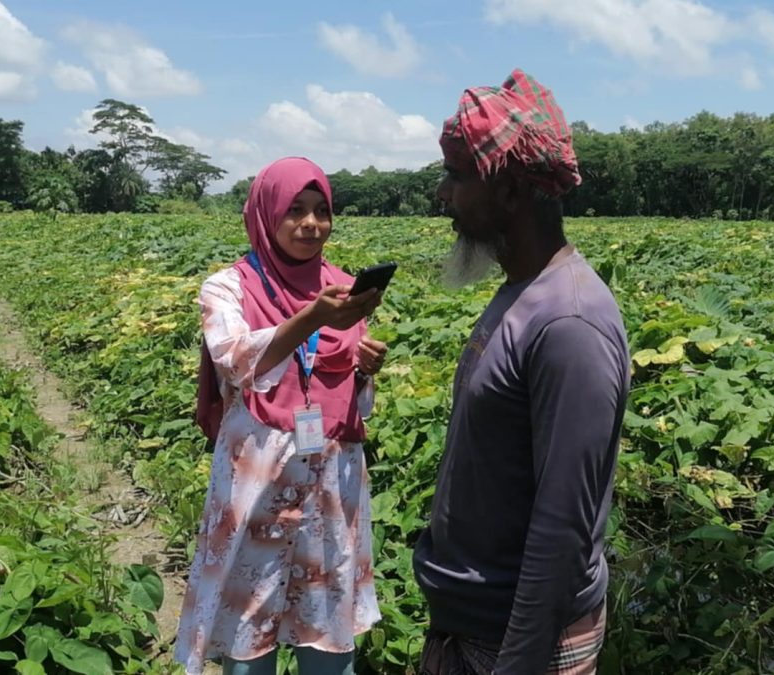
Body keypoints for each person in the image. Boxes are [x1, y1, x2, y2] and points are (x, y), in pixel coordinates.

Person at [413, 69, 630, 675]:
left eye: (456, 177)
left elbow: (562, 532)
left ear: (508, 192)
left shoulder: (569, 323)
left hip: (518, 642)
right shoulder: (522, 291)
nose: (443, 196)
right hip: (474, 623)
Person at [176, 157, 388, 675]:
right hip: (258, 477)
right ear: (266, 213)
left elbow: (346, 400)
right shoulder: (227, 287)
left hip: (329, 479)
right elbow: (237, 358)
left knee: (326, 611)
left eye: (321, 211)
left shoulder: (342, 288)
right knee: (250, 621)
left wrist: (363, 369)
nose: (311, 224)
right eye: (294, 211)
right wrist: (312, 316)